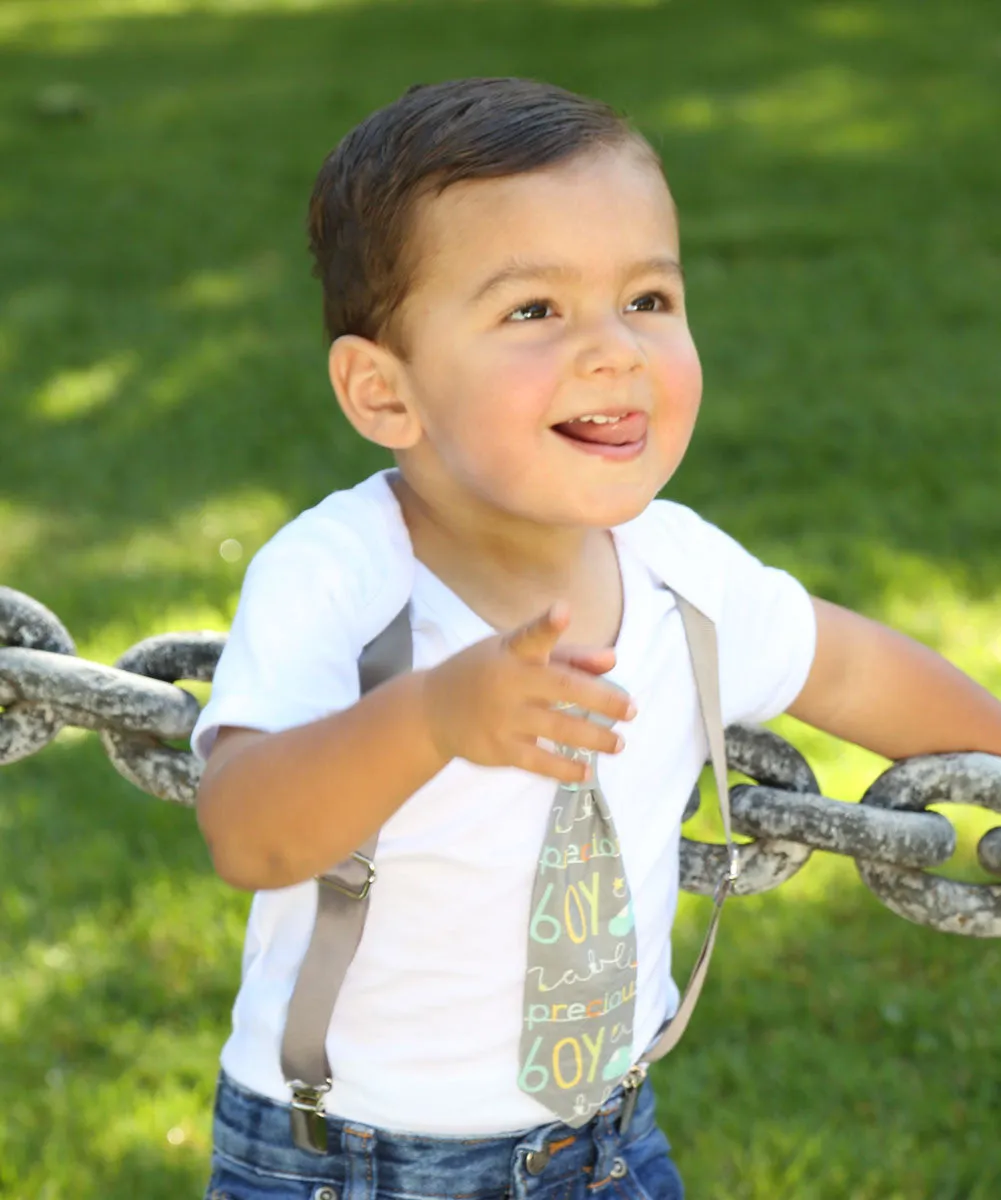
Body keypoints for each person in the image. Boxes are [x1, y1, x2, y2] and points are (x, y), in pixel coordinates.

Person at [191, 77, 1001, 1200]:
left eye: (647, 300)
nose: (612, 351)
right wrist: (428, 719)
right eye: (534, 311)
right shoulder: (339, 575)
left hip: (604, 1145)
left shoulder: (680, 568)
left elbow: (854, 668)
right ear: (383, 394)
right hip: (348, 1162)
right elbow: (247, 833)